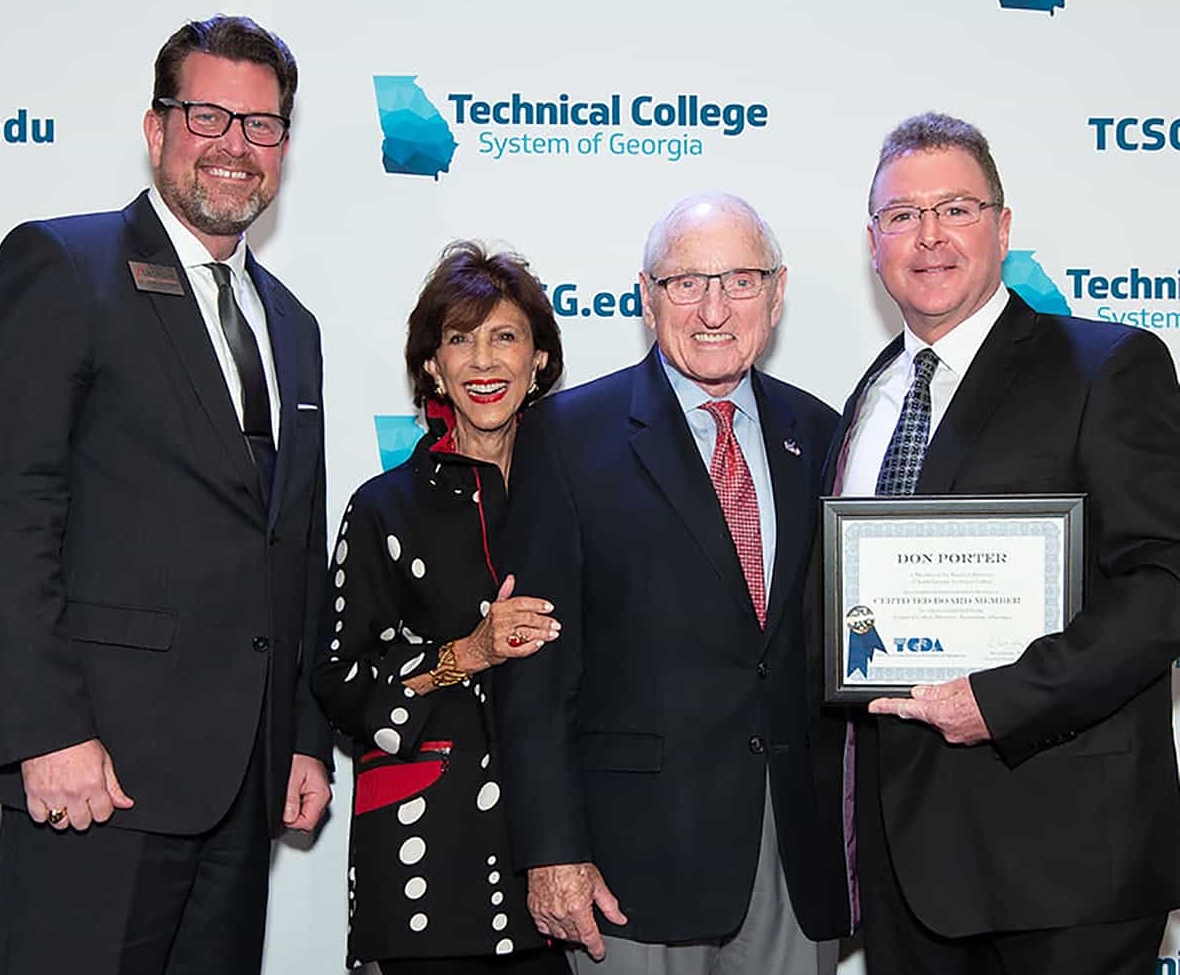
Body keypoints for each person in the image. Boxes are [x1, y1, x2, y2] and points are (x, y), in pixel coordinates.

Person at [0, 14, 332, 975]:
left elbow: (292, 546)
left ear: (284, 149)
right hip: (96, 778)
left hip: (242, 785)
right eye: (209, 116)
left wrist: (301, 737)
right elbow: (10, 515)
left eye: (261, 126)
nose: (235, 147)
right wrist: (47, 732)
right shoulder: (62, 266)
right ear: (155, 127)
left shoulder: (291, 325)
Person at [827, 112, 1180, 975]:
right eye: (902, 216)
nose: (930, 236)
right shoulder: (866, 396)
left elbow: (1164, 582)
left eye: (957, 207)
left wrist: (1006, 697)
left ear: (1004, 225)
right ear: (873, 243)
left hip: (1065, 865)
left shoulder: (1108, 366)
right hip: (907, 869)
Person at [493, 194, 851, 975]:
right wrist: (552, 850)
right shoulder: (565, 435)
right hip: (630, 864)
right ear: (647, 297)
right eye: (687, 283)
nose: (715, 308)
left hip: (792, 850)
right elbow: (535, 668)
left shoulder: (824, 434)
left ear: (778, 292)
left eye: (741, 280)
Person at [312, 241, 569, 975]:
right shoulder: (383, 508)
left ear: (540, 360)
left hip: (565, 864)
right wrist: (468, 653)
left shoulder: (583, 496)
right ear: (433, 366)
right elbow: (338, 681)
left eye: (505, 336)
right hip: (427, 869)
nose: (483, 362)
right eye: (459, 339)